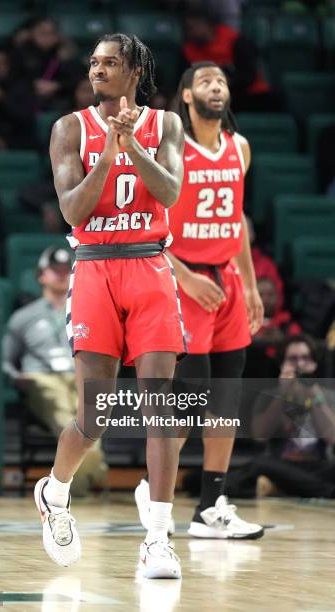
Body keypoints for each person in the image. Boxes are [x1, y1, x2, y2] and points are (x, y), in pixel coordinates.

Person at [33, 34, 185, 579]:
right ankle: (55, 491)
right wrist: (110, 156)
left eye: (109, 63)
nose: (97, 70)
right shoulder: (69, 128)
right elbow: (73, 210)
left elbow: (168, 194)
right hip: (96, 267)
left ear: (136, 69)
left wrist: (135, 147)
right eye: (93, 63)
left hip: (149, 266)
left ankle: (159, 540)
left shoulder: (166, 124)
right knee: (95, 415)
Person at [135, 61, 264, 540]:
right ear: (187, 96)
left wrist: (248, 285)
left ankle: (210, 507)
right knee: (191, 402)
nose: (217, 86)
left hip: (227, 281)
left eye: (223, 81)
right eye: (206, 81)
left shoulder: (240, 148)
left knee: (226, 401)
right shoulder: (173, 151)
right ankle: (153, 486)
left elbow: (237, 222)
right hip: (183, 281)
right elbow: (146, 225)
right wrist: (184, 276)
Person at [2, 246, 107, 496]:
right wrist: (16, 377)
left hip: (79, 376)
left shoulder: (88, 311)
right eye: (54, 270)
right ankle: (82, 484)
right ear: (41, 276)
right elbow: (5, 359)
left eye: (66, 270)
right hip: (43, 378)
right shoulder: (23, 317)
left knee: (93, 421)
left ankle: (63, 491)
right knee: (66, 420)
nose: (61, 275)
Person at [227, 335, 335, 499]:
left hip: (317, 465)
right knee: (260, 464)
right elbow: (260, 436)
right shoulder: (269, 395)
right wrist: (282, 395)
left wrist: (315, 397)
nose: (300, 364)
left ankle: (281, 488)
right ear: (282, 364)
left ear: (315, 364)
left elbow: (333, 438)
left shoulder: (326, 396)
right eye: (293, 359)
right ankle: (325, 492)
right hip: (281, 464)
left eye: (305, 358)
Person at [12, 17, 82, 112]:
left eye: (51, 33)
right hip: (28, 98)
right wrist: (33, 84)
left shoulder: (65, 53)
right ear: (31, 34)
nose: (47, 37)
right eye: (42, 33)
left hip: (59, 98)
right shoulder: (22, 52)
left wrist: (57, 85)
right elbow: (14, 77)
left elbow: (76, 79)